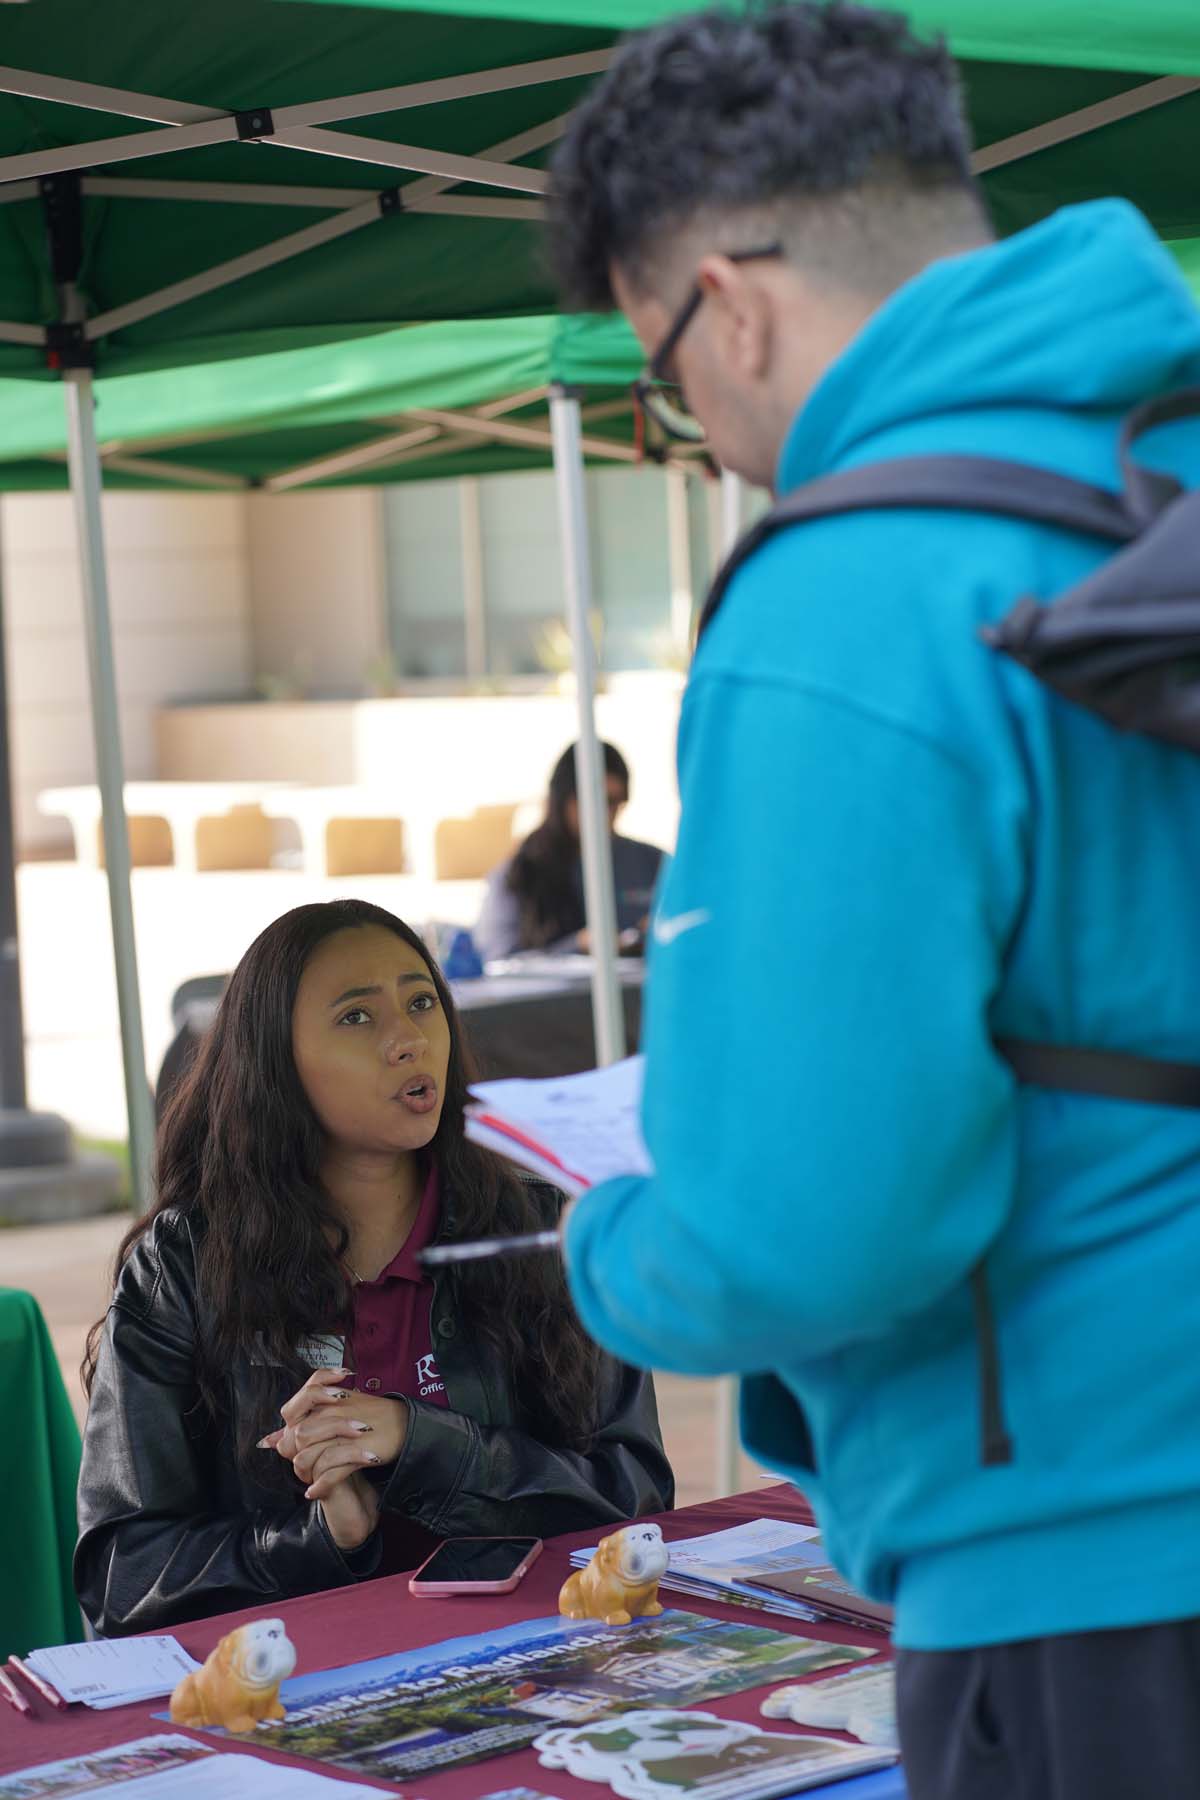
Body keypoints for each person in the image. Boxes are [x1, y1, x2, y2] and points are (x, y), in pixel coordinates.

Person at [545, 6, 1200, 1796]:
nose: (702, 433)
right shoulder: (1162, 460)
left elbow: (812, 1227)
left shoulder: (849, 590)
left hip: (1090, 1561)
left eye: (662, 372)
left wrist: (608, 1249)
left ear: (728, 307)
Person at [76, 899, 672, 1636]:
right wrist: (323, 1538)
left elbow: (640, 1499)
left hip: (536, 1652)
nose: (407, 1039)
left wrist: (421, 1444)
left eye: (422, 1003)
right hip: (302, 1676)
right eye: (357, 1017)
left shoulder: (541, 1232)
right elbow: (121, 1579)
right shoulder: (182, 1267)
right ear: (276, 1063)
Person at [474, 742, 663, 962]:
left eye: (614, 803)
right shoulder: (518, 875)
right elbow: (499, 961)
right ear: (563, 798)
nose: (604, 814)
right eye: (594, 800)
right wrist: (577, 946)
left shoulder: (652, 862)